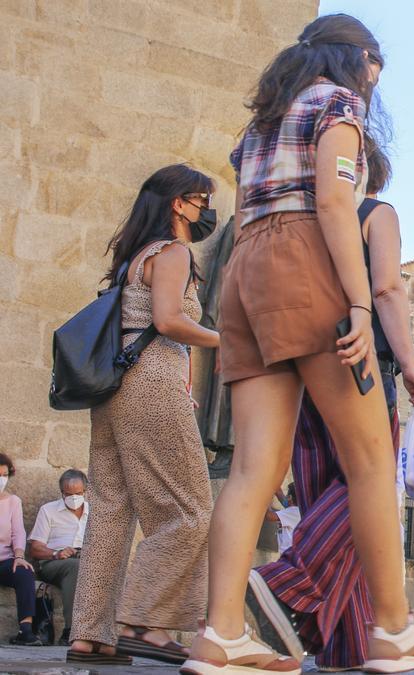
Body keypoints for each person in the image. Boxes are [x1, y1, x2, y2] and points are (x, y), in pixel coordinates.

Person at [193, 14, 414, 674]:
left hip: (245, 273)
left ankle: (221, 632)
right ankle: (394, 628)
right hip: (305, 261)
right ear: (357, 60)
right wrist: (359, 306)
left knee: (257, 464)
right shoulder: (337, 104)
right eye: (376, 64)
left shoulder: (262, 122)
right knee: (372, 455)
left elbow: (253, 213)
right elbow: (335, 207)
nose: (376, 78)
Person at [244, 131, 414, 672]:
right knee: (363, 489)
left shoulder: (297, 219)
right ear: (366, 169)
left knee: (322, 487)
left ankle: (346, 646)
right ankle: (286, 581)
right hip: (359, 363)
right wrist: (411, 364)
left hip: (299, 366)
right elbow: (388, 290)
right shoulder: (377, 212)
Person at [66, 164, 219, 667]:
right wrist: (228, 339)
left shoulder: (135, 257)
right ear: (179, 203)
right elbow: (169, 320)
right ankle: (144, 623)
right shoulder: (173, 252)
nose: (206, 210)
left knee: (110, 509)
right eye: (201, 199)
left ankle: (91, 633)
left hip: (113, 390)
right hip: (151, 381)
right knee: (190, 508)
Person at [28, 469, 89, 644]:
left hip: (84, 560)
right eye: (68, 494)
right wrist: (56, 553)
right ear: (61, 492)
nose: (74, 498)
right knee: (74, 567)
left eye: (78, 494)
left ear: (85, 491)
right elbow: (35, 549)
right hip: (53, 562)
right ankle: (70, 630)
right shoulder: (48, 510)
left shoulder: (95, 513)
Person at [0, 455, 38, 646]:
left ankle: (25, 631)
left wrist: (19, 556)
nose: (2, 479)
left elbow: (18, 531)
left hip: (4, 560)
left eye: (5, 475)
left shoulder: (13, 501)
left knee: (24, 572)